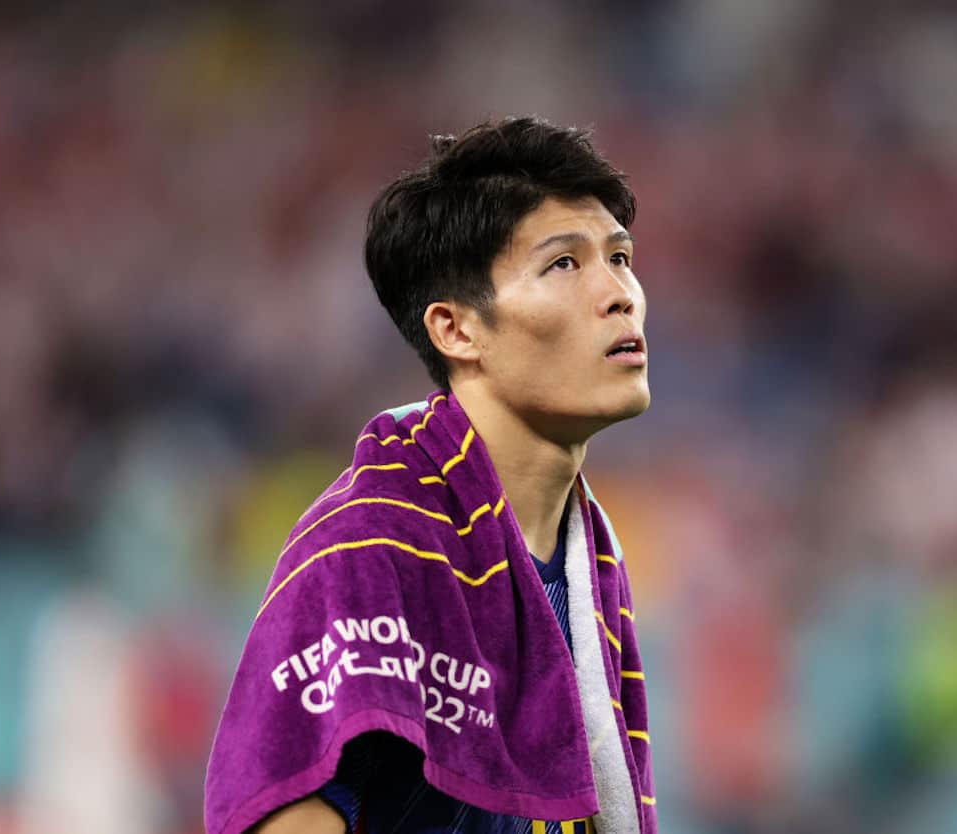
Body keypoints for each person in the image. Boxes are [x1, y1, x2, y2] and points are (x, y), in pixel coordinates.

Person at [204, 117, 657, 834]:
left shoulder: (591, 564)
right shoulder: (371, 543)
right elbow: (286, 811)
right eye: (564, 264)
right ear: (456, 329)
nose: (621, 292)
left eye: (620, 257)